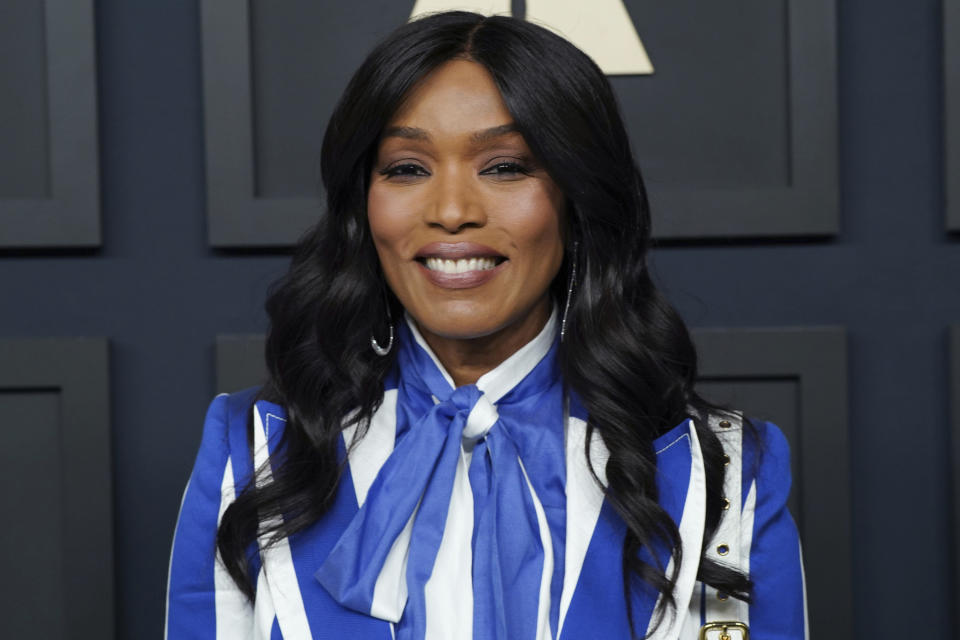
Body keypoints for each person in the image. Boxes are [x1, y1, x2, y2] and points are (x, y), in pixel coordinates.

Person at [166, 11, 807, 640]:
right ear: (364, 204)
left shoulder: (720, 475)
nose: (451, 211)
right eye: (407, 168)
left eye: (505, 166)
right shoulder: (254, 451)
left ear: (576, 200)